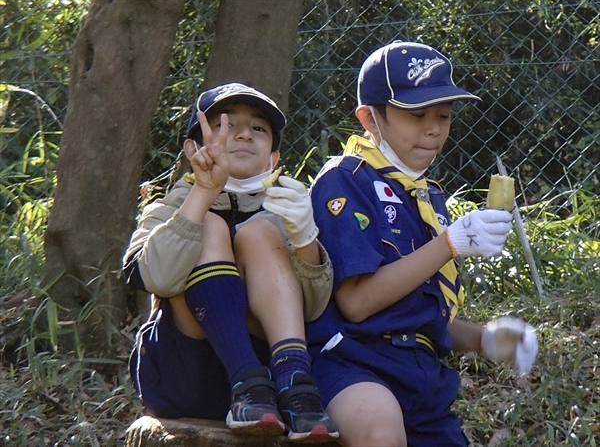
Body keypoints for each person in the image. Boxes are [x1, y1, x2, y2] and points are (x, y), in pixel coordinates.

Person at [306, 41, 539, 446]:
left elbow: (410, 311)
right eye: (416, 115)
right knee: (380, 434)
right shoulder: (345, 180)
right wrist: (449, 243)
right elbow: (358, 304)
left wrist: (483, 339)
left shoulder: (427, 196)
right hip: (354, 362)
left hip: (422, 375)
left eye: (444, 116)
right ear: (370, 118)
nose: (433, 128)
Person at [123, 83, 338, 443]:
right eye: (224, 125)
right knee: (207, 224)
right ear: (194, 147)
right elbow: (155, 278)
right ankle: (246, 379)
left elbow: (314, 309)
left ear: (274, 158)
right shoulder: (166, 207)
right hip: (187, 374)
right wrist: (203, 193)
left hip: (278, 387)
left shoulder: (288, 207)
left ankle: (294, 380)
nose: (242, 134)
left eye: (258, 128)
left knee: (259, 234)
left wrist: (304, 241)